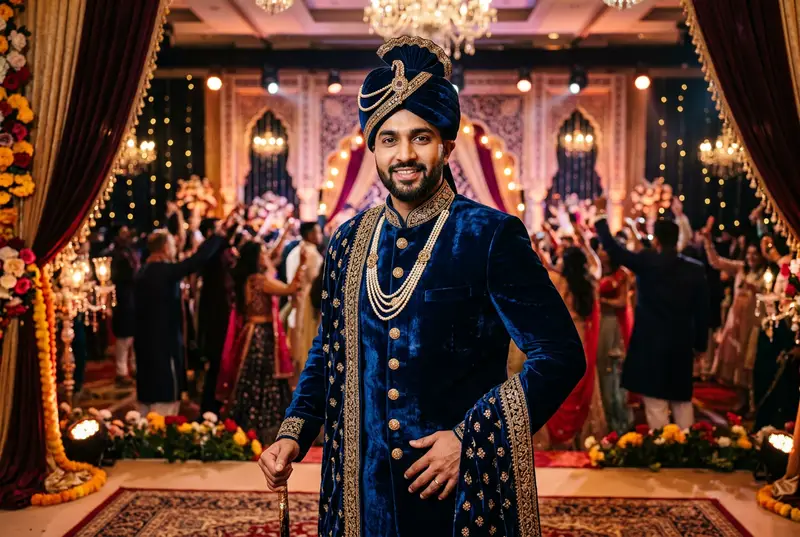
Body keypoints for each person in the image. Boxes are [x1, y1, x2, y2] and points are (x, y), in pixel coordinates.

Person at [258, 37, 585, 537]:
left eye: (421, 137)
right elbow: (330, 350)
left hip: (455, 493)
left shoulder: (490, 235)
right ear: (373, 147)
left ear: (447, 145)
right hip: (360, 491)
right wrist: (294, 433)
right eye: (388, 139)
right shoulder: (348, 240)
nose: (404, 153)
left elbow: (560, 355)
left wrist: (471, 438)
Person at [595, 199, 709, 431]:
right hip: (681, 342)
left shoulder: (647, 262)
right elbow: (702, 311)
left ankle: (662, 449)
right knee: (681, 399)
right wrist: (700, 346)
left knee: (655, 401)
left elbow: (615, 250)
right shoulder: (694, 269)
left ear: (656, 239)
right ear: (676, 239)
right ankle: (688, 449)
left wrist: (600, 219)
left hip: (650, 342)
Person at [133, 222, 227, 416]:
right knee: (164, 391)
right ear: (165, 247)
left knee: (148, 389)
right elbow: (196, 261)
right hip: (162, 340)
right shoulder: (162, 271)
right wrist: (217, 237)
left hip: (144, 340)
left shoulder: (143, 271)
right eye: (173, 245)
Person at [219, 241, 306, 442]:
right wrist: (301, 264)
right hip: (262, 335)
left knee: (250, 379)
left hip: (250, 332)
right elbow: (291, 288)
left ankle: (246, 425)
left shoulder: (248, 280)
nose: (264, 255)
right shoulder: (259, 281)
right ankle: (267, 427)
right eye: (261, 253)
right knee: (267, 378)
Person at [702, 233, 765, 389]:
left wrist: (755, 290)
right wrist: (708, 242)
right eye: (749, 253)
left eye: (755, 254)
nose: (752, 257)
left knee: (747, 358)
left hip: (751, 322)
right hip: (735, 319)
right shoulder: (740, 268)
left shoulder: (765, 274)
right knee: (733, 355)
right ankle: (737, 397)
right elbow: (716, 262)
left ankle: (748, 402)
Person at [596, 242, 633, 434]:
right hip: (600, 321)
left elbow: (622, 301)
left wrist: (600, 300)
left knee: (612, 368)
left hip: (613, 323)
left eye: (604, 249)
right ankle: (608, 418)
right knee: (601, 368)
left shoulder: (622, 274)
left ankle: (621, 422)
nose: (600, 252)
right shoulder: (599, 271)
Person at [285, 222, 324, 375]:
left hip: (297, 297)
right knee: (309, 333)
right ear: (310, 235)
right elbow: (315, 280)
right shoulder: (312, 253)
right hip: (309, 298)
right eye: (318, 232)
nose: (320, 236)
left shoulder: (295, 251)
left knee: (300, 332)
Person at [110, 226, 140, 387]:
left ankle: (135, 367)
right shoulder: (119, 254)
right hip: (123, 299)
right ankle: (121, 371)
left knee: (133, 336)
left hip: (132, 298)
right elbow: (123, 274)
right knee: (124, 338)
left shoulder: (130, 251)